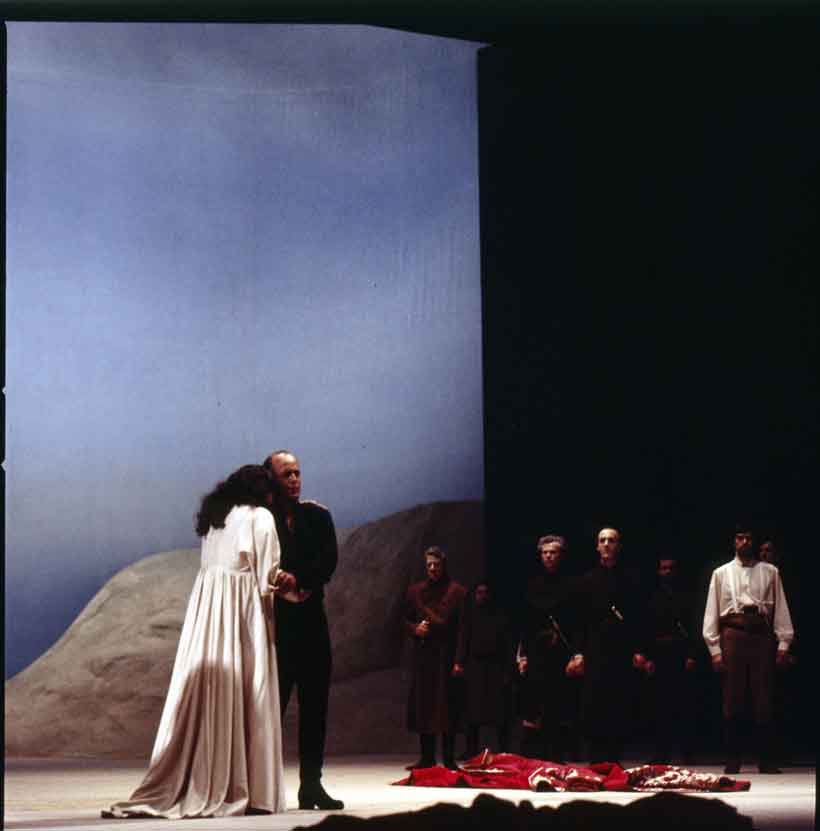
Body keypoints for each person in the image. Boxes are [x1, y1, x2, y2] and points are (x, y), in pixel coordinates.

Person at [104, 465, 291, 818]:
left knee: (213, 691)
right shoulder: (259, 517)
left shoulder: (216, 518)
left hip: (209, 614)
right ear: (263, 492)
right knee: (251, 689)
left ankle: (210, 777)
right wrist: (293, 588)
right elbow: (267, 577)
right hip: (241, 613)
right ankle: (251, 790)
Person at [263, 449, 344, 810]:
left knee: (315, 708)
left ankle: (311, 785)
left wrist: (300, 579)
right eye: (287, 474)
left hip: (311, 623)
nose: (295, 479)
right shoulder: (262, 520)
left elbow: (328, 561)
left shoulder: (317, 515)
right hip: (275, 626)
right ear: (272, 479)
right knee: (271, 709)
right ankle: (262, 788)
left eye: (297, 472)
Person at [702, 523, 795, 774]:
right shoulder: (721, 573)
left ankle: (765, 758)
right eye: (740, 538)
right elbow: (712, 611)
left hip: (761, 635)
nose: (744, 542)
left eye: (748, 538)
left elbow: (780, 608)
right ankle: (733, 758)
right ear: (734, 541)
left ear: (754, 541)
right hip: (733, 633)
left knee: (763, 696)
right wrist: (714, 650)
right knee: (732, 696)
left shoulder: (770, 571)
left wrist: (784, 643)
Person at [567, 527, 651, 764]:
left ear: (618, 546)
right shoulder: (587, 580)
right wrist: (578, 652)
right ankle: (596, 759)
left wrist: (639, 649)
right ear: (597, 546)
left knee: (619, 702)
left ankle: (614, 758)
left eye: (611, 540)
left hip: (621, 649)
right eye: (602, 540)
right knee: (594, 703)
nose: (606, 544)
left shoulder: (631, 579)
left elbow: (640, 618)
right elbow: (579, 621)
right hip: (595, 649)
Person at [517, 535, 580, 761]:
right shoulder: (532, 585)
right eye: (545, 553)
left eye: (553, 552)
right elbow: (525, 623)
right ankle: (534, 756)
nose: (548, 556)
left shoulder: (571, 584)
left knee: (558, 703)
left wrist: (576, 654)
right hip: (537, 653)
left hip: (561, 653)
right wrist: (523, 655)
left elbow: (577, 622)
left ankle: (556, 755)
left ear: (560, 555)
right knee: (534, 703)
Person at [405, 546, 468, 769]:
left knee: (447, 707)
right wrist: (415, 629)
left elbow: (463, 629)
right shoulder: (415, 591)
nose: (432, 568)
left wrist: (459, 660)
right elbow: (404, 620)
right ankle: (427, 758)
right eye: (429, 565)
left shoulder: (457, 592)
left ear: (444, 565)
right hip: (424, 657)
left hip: (446, 656)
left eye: (436, 564)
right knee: (425, 706)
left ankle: (449, 759)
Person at [644, 555, 699, 764]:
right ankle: (660, 753)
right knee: (659, 706)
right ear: (658, 571)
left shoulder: (687, 596)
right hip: (659, 654)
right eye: (663, 568)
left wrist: (692, 654)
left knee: (684, 705)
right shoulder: (652, 596)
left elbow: (693, 625)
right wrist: (648, 657)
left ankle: (687, 752)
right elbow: (647, 628)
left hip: (680, 652)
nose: (667, 572)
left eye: (670, 568)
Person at [453, 580, 513, 759]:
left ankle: (503, 750)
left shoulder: (500, 616)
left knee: (499, 711)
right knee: (472, 710)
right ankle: (471, 749)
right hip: (475, 666)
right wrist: (459, 662)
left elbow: (507, 643)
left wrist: (508, 670)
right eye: (479, 593)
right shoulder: (470, 615)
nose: (482, 596)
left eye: (485, 592)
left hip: (495, 666)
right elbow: (463, 638)